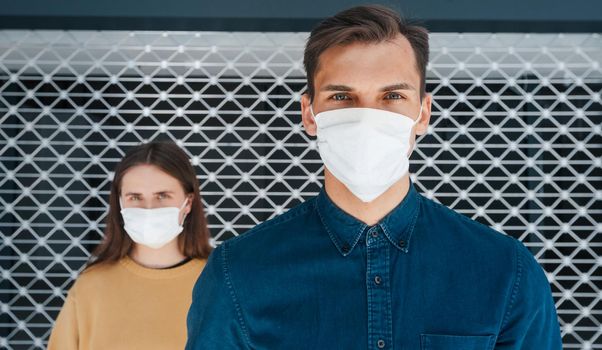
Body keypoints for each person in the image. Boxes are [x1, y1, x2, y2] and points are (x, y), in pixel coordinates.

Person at [186, 5, 562, 349]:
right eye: (341, 97)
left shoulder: (506, 274)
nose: (367, 116)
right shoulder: (239, 275)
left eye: (392, 96)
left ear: (424, 113)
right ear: (309, 114)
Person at [48, 141, 212, 349]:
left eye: (162, 196)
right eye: (135, 197)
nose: (149, 208)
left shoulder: (219, 283)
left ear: (188, 202)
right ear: (121, 202)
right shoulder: (91, 287)